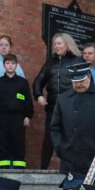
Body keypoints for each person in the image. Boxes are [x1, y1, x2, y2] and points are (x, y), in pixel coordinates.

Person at [50, 62, 95, 175]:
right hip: (69, 158)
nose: (78, 85)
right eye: (75, 82)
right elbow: (55, 126)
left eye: (81, 81)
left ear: (89, 77)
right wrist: (60, 148)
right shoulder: (63, 99)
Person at [33, 33, 81, 168]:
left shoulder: (77, 61)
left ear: (67, 44)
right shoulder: (50, 62)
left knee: (68, 139)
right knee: (49, 138)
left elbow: (86, 83)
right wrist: (39, 95)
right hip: (53, 107)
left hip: (71, 108)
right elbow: (38, 81)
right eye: (55, 44)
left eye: (59, 43)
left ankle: (66, 169)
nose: (56, 46)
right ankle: (43, 169)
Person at [0, 35, 26, 168]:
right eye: (1, 44)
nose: (3, 47)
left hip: (15, 113)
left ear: (10, 47)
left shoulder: (18, 68)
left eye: (6, 45)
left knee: (16, 142)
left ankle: (15, 169)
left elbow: (24, 95)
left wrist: (26, 114)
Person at [0, 53, 34, 169]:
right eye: (8, 63)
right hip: (2, 117)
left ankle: (19, 170)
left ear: (16, 65)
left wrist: (27, 116)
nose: (10, 66)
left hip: (18, 117)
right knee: (3, 143)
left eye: (13, 63)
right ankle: (3, 169)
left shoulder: (22, 83)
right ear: (4, 65)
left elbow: (28, 101)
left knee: (18, 143)